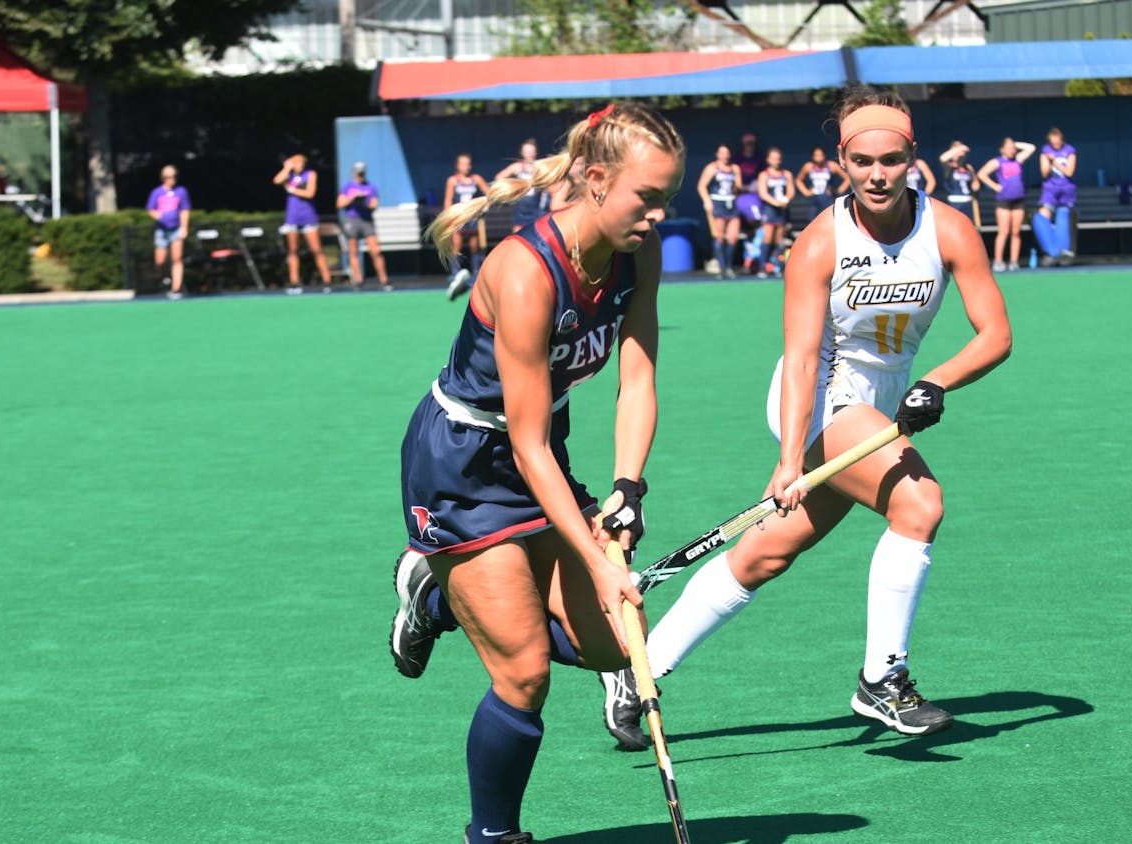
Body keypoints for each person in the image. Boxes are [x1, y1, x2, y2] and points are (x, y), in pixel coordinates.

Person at [599, 87, 1012, 749]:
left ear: (913, 160)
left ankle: (637, 669)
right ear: (841, 161)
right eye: (862, 160)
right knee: (920, 505)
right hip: (821, 396)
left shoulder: (949, 229)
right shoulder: (821, 242)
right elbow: (800, 359)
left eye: (892, 159)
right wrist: (791, 459)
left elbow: (995, 334)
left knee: (766, 554)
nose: (877, 174)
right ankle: (883, 679)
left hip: (885, 404)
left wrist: (937, 380)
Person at [386, 102, 685, 843]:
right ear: (593, 179)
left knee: (615, 645)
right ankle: (494, 835)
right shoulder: (523, 273)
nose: (657, 217)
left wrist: (627, 489)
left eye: (667, 200)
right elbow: (524, 444)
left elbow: (638, 380)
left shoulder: (634, 255)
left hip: (542, 449)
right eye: (646, 198)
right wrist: (597, 557)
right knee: (524, 671)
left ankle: (444, 596)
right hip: (462, 465)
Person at [274, 153, 334, 294]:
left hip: (308, 217)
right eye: (296, 163)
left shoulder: (310, 174)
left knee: (316, 250)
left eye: (301, 163)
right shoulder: (289, 175)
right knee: (293, 251)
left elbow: (310, 193)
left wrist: (292, 189)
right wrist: (287, 168)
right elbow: (277, 180)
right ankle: (294, 282)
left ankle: (327, 281)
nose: (299, 165)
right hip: (293, 218)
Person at [974, 137, 1036, 271]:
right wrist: (995, 186)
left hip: (1018, 200)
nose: (1012, 151)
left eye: (1013, 148)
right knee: (1004, 231)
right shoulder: (998, 162)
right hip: (1004, 200)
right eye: (1008, 148)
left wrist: (1015, 144)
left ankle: (1014, 261)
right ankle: (998, 261)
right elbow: (982, 174)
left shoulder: (1018, 160)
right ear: (1002, 149)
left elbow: (1031, 148)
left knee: (1015, 232)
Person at [336, 162, 390, 291]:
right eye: (358, 173)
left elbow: (374, 205)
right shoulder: (347, 186)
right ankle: (358, 280)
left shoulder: (371, 187)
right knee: (354, 251)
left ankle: (384, 280)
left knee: (375, 251)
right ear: (354, 173)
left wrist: (364, 202)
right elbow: (339, 203)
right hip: (352, 220)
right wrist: (352, 198)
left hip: (366, 221)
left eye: (362, 173)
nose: (360, 175)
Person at [445, 153, 492, 300]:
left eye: (468, 163)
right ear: (457, 166)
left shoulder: (475, 179)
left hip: (472, 217)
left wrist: (485, 207)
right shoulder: (453, 180)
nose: (466, 166)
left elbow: (490, 194)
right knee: (456, 246)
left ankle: (476, 277)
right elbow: (448, 200)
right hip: (459, 218)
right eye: (463, 164)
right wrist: (450, 217)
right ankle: (454, 275)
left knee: (474, 247)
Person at [696, 144, 743, 279]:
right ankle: (721, 268)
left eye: (727, 153)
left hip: (731, 204)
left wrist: (738, 188)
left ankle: (729, 267)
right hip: (718, 203)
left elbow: (738, 186)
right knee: (719, 236)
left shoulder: (735, 168)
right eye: (722, 153)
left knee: (733, 237)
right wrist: (707, 201)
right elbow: (701, 185)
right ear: (717, 154)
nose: (725, 155)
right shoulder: (712, 168)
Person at [1032, 127, 1077, 267]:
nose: (1055, 144)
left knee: (1063, 217)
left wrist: (1055, 162)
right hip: (1050, 189)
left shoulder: (1070, 151)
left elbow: (1069, 172)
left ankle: (1065, 251)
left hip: (1066, 189)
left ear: (1061, 139)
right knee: (1041, 216)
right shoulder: (1046, 151)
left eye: (1057, 141)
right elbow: (1044, 173)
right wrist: (1047, 161)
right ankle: (1052, 252)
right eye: (1052, 142)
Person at [146, 165, 191, 300]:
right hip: (161, 230)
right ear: (163, 178)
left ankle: (175, 290)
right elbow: (150, 209)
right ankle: (164, 278)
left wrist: (184, 227)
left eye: (173, 176)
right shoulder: (157, 192)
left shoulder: (181, 192)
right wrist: (159, 216)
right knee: (160, 261)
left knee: (177, 259)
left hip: (176, 229)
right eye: (168, 177)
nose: (171, 179)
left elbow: (185, 210)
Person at [495, 139, 553, 235]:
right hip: (521, 207)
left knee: (537, 235)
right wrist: (512, 188)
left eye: (531, 152)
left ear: (535, 153)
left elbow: (551, 185)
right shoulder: (517, 167)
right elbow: (498, 178)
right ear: (522, 153)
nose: (529, 154)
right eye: (526, 152)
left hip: (536, 206)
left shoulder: (540, 167)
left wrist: (542, 185)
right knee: (518, 236)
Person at [755, 147, 794, 278]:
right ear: (768, 159)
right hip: (769, 209)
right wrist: (775, 202)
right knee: (767, 237)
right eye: (773, 158)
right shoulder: (764, 175)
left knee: (779, 238)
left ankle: (777, 265)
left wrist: (786, 200)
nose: (776, 161)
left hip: (782, 210)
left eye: (778, 158)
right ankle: (762, 266)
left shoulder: (786, 174)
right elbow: (763, 193)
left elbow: (790, 191)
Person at [795, 145, 849, 222]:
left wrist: (838, 190)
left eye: (820, 155)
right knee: (813, 221)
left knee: (829, 219)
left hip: (827, 198)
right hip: (814, 198)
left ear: (824, 155)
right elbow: (798, 180)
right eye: (816, 155)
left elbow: (847, 178)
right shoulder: (808, 167)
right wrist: (806, 192)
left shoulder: (831, 166)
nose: (818, 157)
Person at [937, 141, 978, 222]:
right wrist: (958, 149)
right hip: (954, 202)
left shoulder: (968, 167)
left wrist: (975, 186)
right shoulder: (949, 167)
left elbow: (975, 181)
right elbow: (942, 158)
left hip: (967, 202)